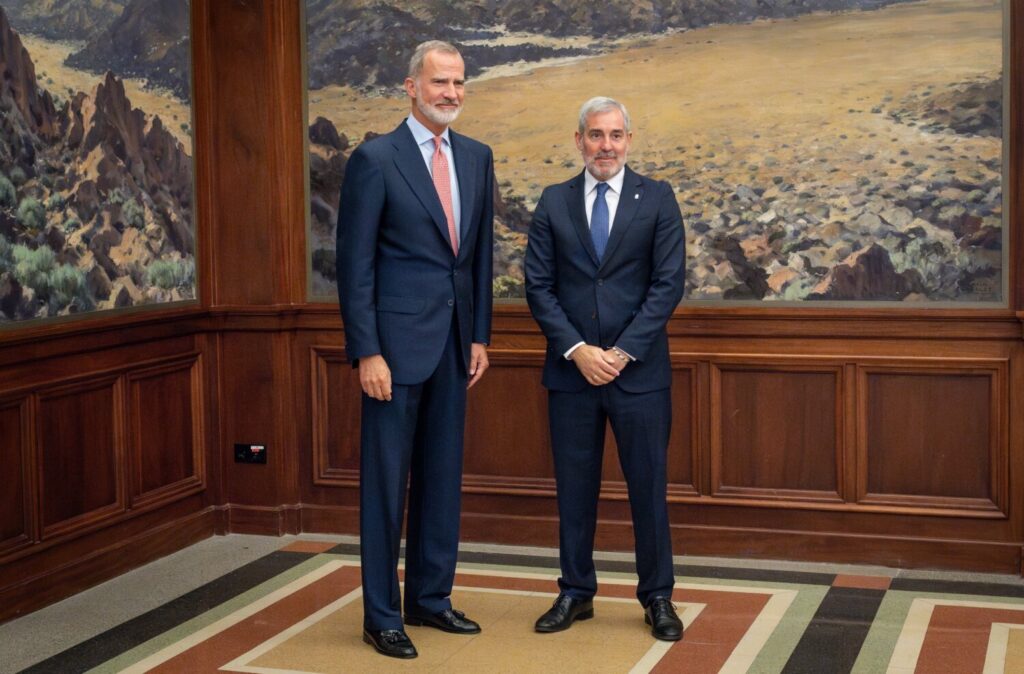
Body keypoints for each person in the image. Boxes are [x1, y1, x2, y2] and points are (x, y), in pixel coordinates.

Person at [335, 40, 494, 659]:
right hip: (393, 354)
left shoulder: (478, 158)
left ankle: (431, 599)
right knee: (385, 486)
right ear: (410, 86)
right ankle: (382, 615)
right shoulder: (375, 160)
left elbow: (478, 256)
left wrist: (479, 334)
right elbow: (355, 267)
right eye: (439, 83)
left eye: (458, 83)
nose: (451, 93)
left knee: (441, 481)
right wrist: (366, 351)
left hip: (456, 349)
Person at [524, 96, 686, 641]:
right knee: (574, 488)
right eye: (595, 135)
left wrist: (618, 353)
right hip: (572, 375)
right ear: (579, 141)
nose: (606, 145)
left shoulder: (657, 198)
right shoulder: (553, 201)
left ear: (629, 140)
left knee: (648, 488)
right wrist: (578, 351)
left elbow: (668, 286)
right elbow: (539, 287)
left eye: (616, 135)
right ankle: (575, 592)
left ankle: (658, 597)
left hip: (638, 375)